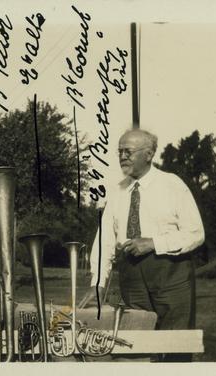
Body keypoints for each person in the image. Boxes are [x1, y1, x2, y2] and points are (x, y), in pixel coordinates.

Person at [78, 129, 205, 361]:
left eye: (128, 151)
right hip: (132, 277)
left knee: (176, 347)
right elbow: (104, 239)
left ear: (149, 154)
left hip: (171, 274)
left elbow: (196, 233)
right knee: (135, 345)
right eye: (120, 151)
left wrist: (154, 243)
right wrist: (97, 283)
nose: (122, 156)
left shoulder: (172, 184)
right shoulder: (117, 190)